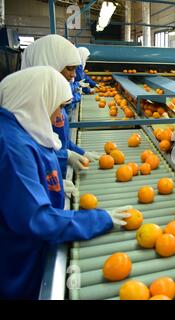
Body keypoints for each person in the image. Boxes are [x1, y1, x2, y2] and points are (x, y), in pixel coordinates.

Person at [0, 67, 132, 299]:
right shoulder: (13, 147)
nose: (59, 114)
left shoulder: (18, 128)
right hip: (21, 264)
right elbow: (36, 219)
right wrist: (99, 218)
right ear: (38, 99)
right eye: (58, 105)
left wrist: (52, 182)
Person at [21, 34, 100, 177]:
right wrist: (65, 157)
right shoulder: (26, 113)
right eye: (70, 69)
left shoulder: (54, 101)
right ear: (49, 63)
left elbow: (61, 141)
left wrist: (81, 153)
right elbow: (29, 159)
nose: (74, 76)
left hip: (58, 177)